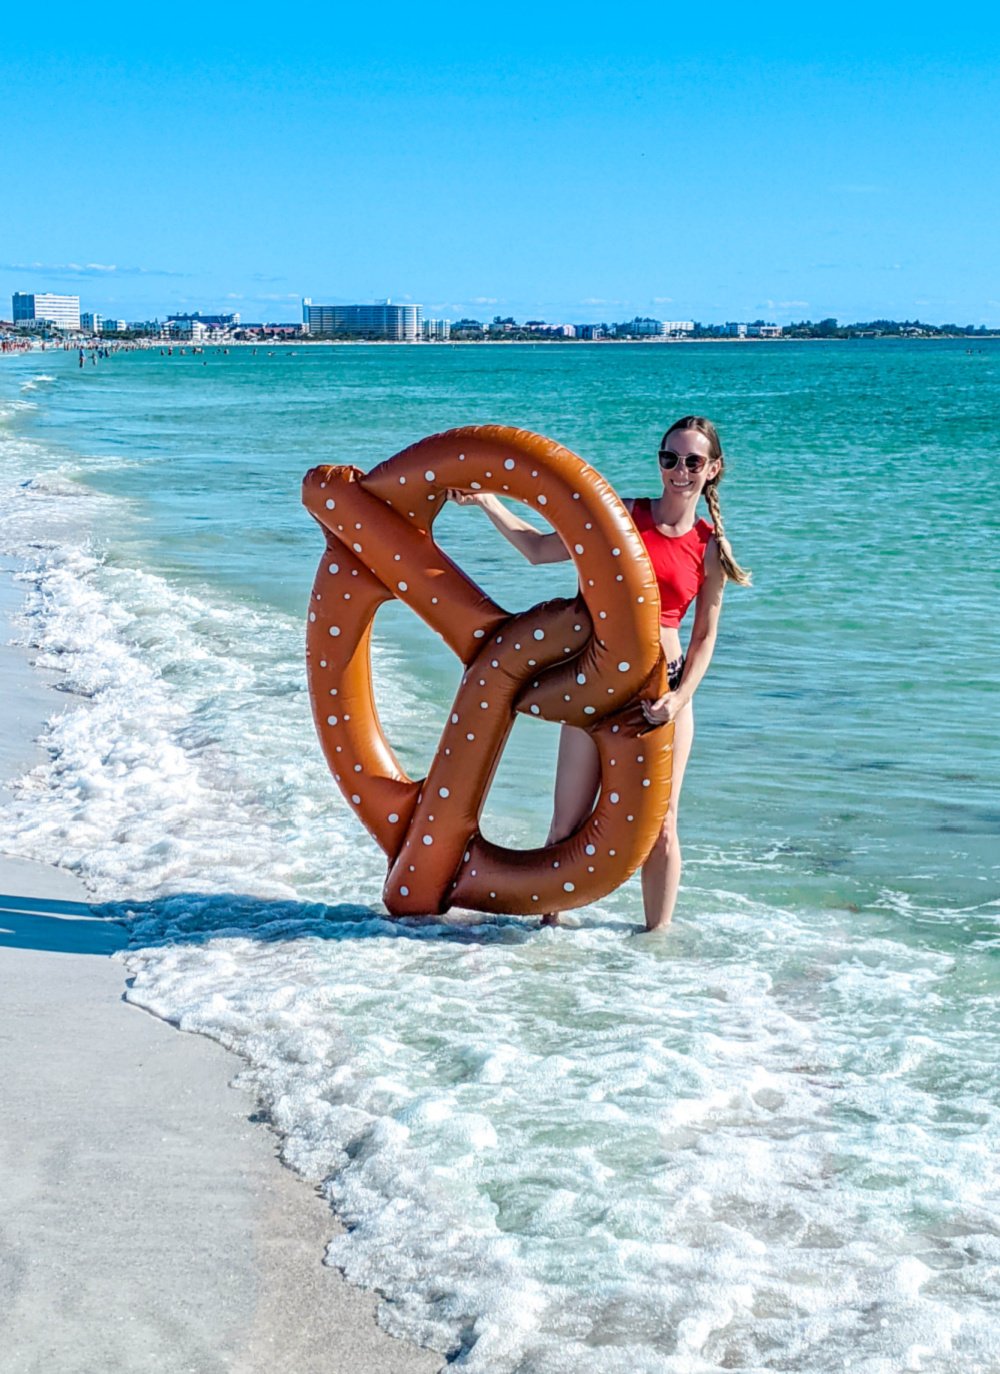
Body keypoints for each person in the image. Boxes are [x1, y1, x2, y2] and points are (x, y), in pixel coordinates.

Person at [447, 416, 750, 931]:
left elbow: (703, 639)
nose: (679, 471)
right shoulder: (622, 517)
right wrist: (488, 502)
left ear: (713, 470)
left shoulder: (709, 546)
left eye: (692, 461)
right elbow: (540, 550)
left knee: (663, 828)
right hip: (595, 685)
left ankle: (658, 948)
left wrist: (679, 700)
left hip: (665, 695)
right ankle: (546, 942)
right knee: (566, 825)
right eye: (669, 458)